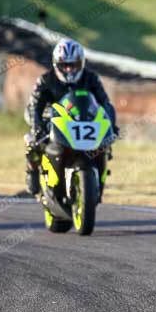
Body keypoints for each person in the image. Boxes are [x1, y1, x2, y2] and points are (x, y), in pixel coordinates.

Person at [25, 38, 118, 196]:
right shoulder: (45, 80)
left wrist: (111, 125)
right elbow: (35, 106)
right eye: (64, 65)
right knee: (33, 140)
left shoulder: (91, 78)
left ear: (81, 64)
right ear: (56, 64)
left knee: (104, 145)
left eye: (73, 65)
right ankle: (32, 171)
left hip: (82, 119)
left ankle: (98, 175)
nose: (69, 70)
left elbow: (105, 103)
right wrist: (37, 127)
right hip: (52, 118)